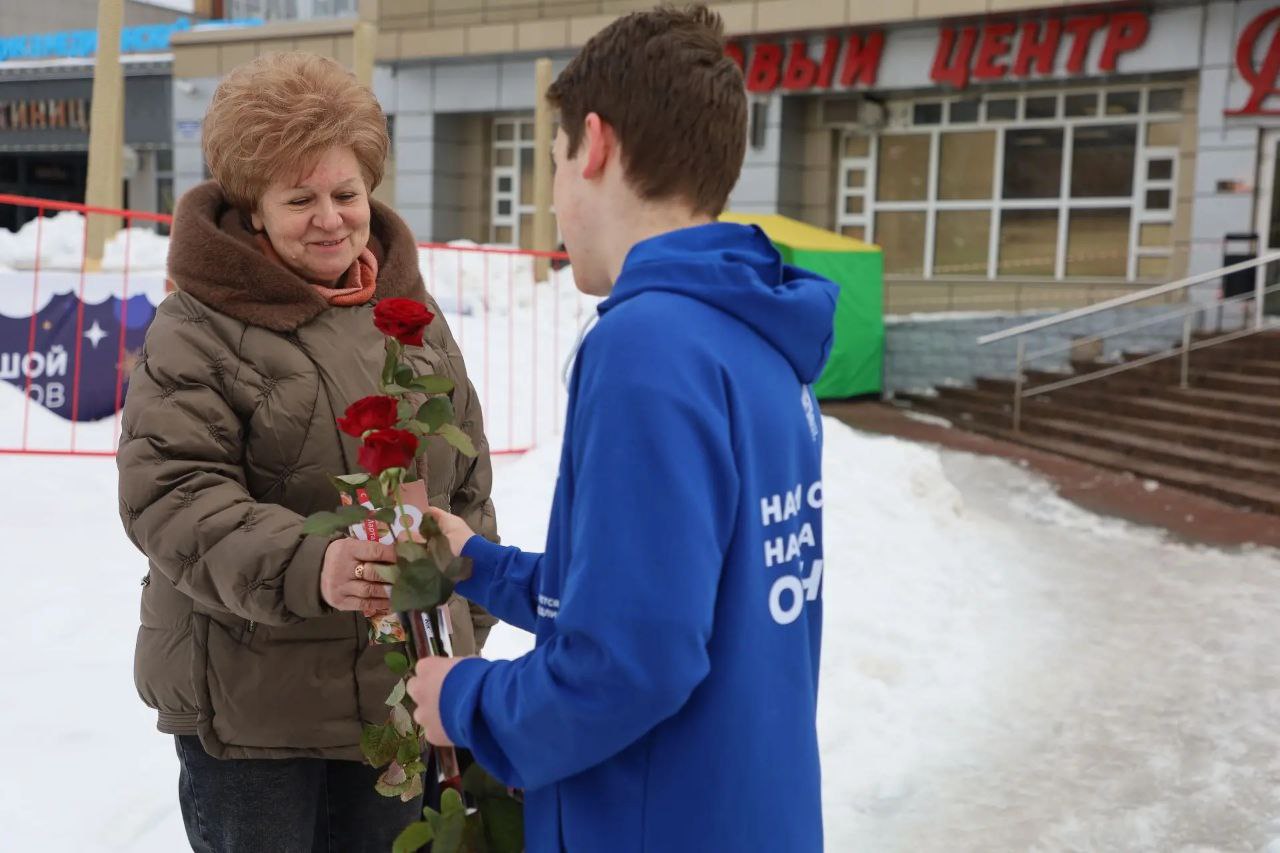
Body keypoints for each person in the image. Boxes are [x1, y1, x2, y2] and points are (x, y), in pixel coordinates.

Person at [405, 6, 838, 852]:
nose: (553, 197)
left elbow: (631, 660)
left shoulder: (648, 343)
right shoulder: (754, 331)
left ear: (594, 144)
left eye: (554, 160)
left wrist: (463, 698)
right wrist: (480, 565)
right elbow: (660, 591)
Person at [116, 52, 497, 853]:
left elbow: (465, 484)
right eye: (300, 199)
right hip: (256, 717)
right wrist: (309, 563)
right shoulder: (195, 327)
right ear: (253, 209)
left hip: (400, 700)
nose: (331, 218)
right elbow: (173, 494)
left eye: (346, 194)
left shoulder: (411, 314)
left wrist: (462, 623)